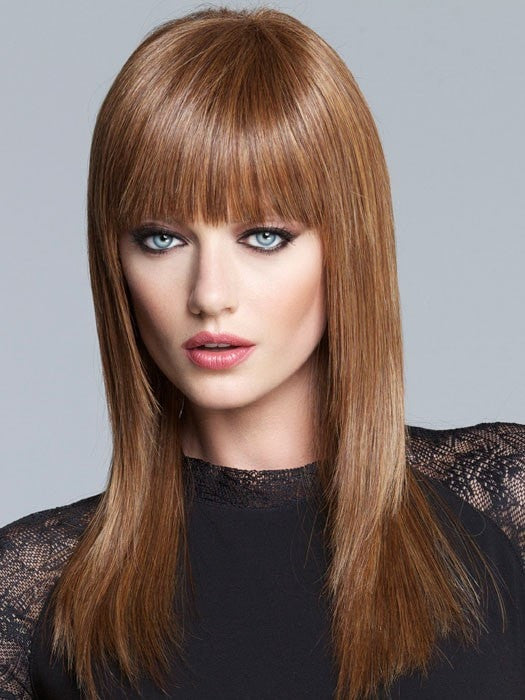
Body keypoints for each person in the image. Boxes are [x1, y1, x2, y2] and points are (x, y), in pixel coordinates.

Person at [0, 6, 523, 699]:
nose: (209, 294)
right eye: (161, 238)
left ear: (347, 246)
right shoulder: (34, 592)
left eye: (265, 236)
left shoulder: (500, 508)